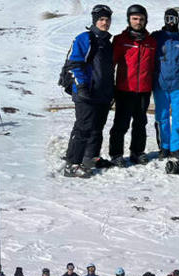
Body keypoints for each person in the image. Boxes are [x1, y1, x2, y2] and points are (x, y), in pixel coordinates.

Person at [61, 4, 115, 178]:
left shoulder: (107, 43)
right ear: (94, 20)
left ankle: (90, 158)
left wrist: (111, 91)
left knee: (97, 128)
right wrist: (82, 86)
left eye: (107, 19)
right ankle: (72, 164)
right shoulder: (84, 38)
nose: (104, 23)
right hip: (85, 92)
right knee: (83, 128)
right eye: (101, 19)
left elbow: (107, 70)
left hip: (102, 93)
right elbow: (73, 63)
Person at [108, 5, 155, 166]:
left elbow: (154, 65)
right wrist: (109, 87)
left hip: (144, 90)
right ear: (129, 19)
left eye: (141, 19)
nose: (138, 22)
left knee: (141, 123)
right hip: (124, 89)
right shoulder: (120, 40)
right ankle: (116, 154)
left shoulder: (151, 42)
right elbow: (111, 64)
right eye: (135, 18)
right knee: (121, 123)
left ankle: (137, 151)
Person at [153, 8, 179, 158]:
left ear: (178, 20)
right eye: (168, 18)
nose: (171, 22)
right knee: (161, 116)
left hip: (178, 85)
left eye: (173, 19)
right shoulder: (157, 37)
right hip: (160, 85)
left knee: (178, 116)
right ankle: (164, 147)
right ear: (164, 19)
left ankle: (176, 147)